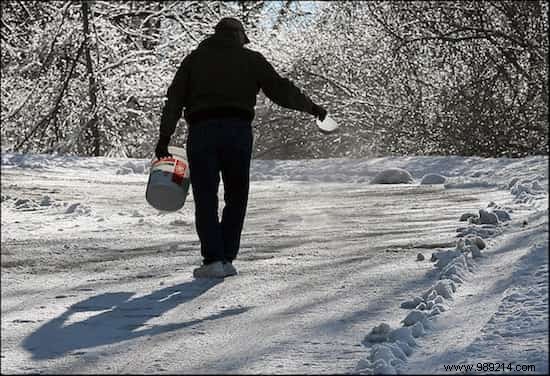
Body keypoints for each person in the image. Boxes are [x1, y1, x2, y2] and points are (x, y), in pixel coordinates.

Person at [155, 17, 327, 278]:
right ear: (239, 37)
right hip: (238, 132)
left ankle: (213, 259)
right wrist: (312, 108)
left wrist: (164, 137)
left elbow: (174, 100)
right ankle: (227, 257)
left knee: (206, 196)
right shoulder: (251, 60)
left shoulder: (194, 60)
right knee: (237, 195)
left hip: (202, 132)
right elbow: (281, 90)